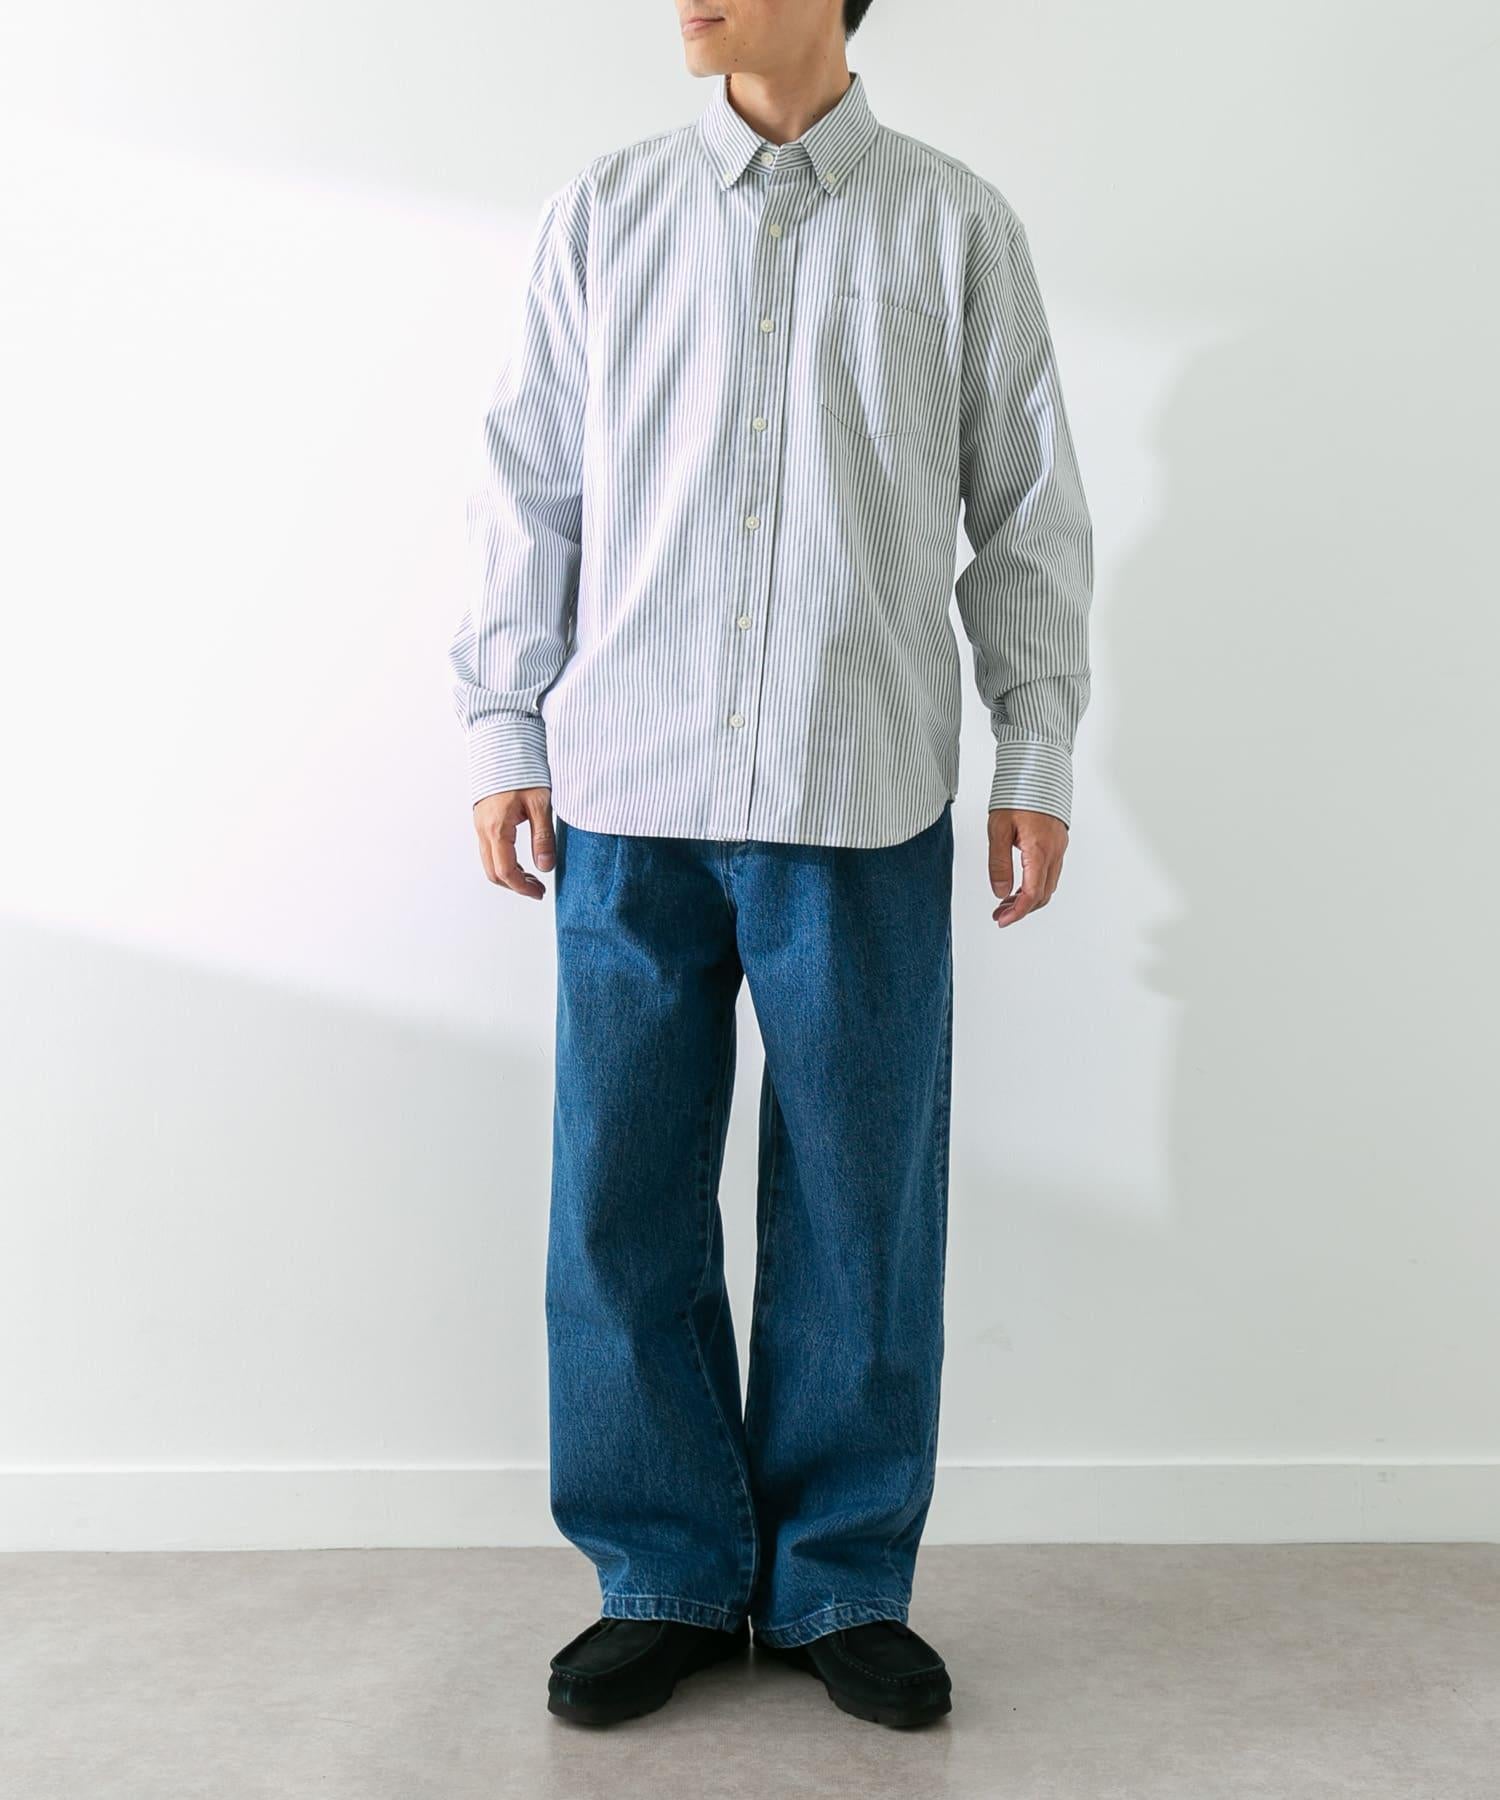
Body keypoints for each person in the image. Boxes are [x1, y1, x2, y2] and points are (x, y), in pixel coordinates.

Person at [448, 0, 1093, 1733]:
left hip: (858, 790)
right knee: (622, 1198)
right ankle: (661, 1575)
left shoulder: (956, 226)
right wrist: (504, 725)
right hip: (630, 792)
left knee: (863, 1207)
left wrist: (1035, 746)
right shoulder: (606, 214)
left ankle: (838, 1583)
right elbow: (530, 487)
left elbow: (1025, 503)